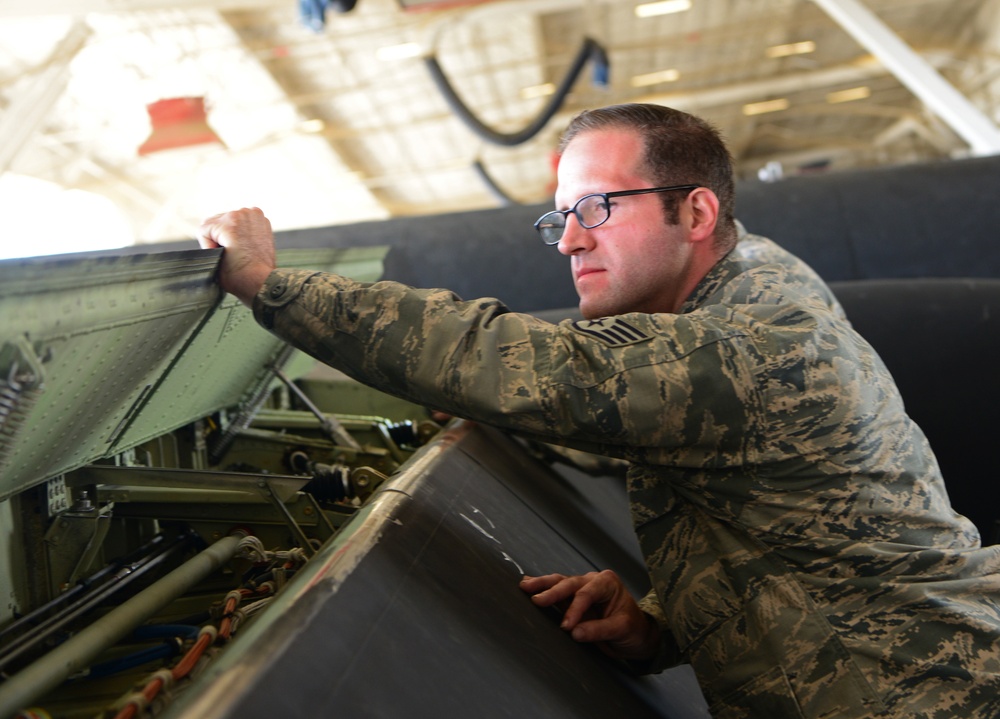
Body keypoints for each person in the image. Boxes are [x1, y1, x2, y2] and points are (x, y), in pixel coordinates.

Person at [198, 103, 1000, 718]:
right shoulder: (753, 275)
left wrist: (273, 284)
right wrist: (661, 624)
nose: (568, 242)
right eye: (561, 216)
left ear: (695, 214)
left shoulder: (747, 349)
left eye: (597, 208)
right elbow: (804, 543)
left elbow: (510, 361)